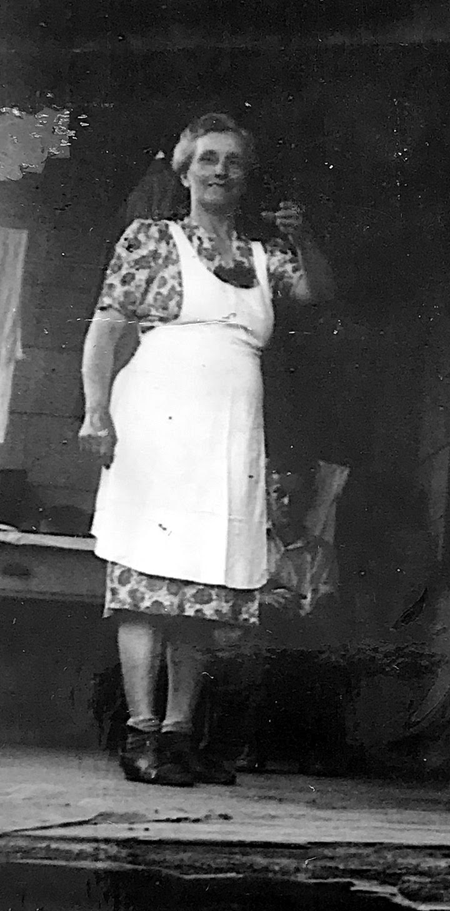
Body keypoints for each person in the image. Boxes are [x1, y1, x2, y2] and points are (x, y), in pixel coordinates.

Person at [78, 112, 336, 787]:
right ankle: (139, 735)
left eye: (234, 162)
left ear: (246, 179)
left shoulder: (263, 256)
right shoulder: (151, 242)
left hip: (229, 437)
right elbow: (106, 331)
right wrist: (96, 411)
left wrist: (302, 237)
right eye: (208, 159)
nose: (221, 171)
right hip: (157, 427)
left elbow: (316, 292)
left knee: (203, 591)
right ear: (185, 171)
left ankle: (179, 735)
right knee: (144, 584)